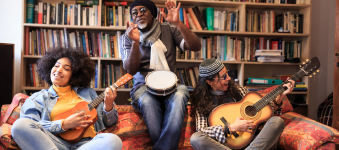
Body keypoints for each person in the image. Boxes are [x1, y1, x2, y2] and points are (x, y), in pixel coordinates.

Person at [120, 0, 201, 149]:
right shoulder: (128, 37)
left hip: (172, 86)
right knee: (147, 101)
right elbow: (131, 70)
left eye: (143, 10)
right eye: (134, 12)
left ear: (153, 13)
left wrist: (178, 23)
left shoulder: (169, 29)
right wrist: (135, 43)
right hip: (143, 87)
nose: (138, 14)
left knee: (181, 93)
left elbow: (195, 46)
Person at [11, 47, 122, 150]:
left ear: (74, 75)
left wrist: (108, 105)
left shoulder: (89, 93)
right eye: (56, 65)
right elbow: (33, 125)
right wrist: (64, 124)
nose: (58, 70)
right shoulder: (37, 98)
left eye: (66, 68)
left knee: (113, 140)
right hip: (53, 143)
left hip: (87, 144)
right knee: (19, 125)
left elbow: (110, 123)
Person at [190, 59, 295, 150]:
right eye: (223, 77)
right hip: (223, 146)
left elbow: (265, 112)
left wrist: (280, 96)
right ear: (209, 82)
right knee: (196, 138)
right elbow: (202, 131)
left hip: (252, 142)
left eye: (227, 74)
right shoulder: (201, 101)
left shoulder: (239, 91)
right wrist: (231, 128)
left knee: (277, 121)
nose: (229, 78)